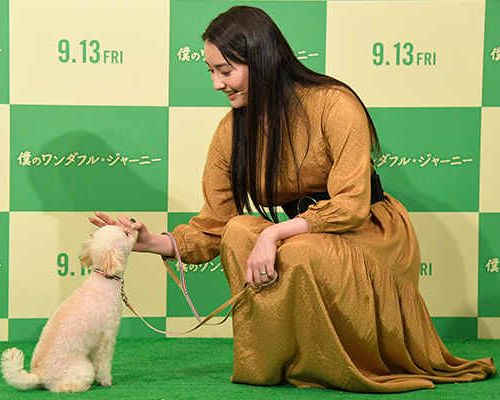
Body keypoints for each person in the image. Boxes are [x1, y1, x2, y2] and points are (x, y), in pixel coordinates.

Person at [90, 5, 495, 393]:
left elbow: (353, 205)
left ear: (262, 61)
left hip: (368, 233)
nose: (216, 83)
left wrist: (277, 234)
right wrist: (148, 243)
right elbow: (214, 226)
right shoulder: (231, 132)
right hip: (303, 235)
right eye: (211, 71)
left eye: (226, 70)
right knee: (240, 230)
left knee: (294, 250)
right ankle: (278, 362)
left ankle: (334, 364)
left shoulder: (334, 103)